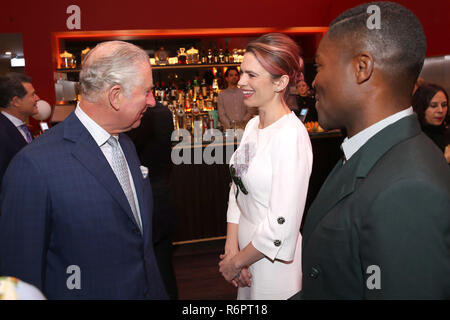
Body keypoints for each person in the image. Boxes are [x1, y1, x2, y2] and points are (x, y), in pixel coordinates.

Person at [295, 2, 450, 299]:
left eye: (321, 66)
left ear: (361, 68)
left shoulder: (409, 188)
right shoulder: (369, 152)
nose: (314, 81)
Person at [0, 41, 168, 299]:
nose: (152, 101)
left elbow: (139, 245)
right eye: (146, 91)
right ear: (115, 96)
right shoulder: (33, 167)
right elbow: (20, 281)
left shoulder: (126, 143)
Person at [219, 33, 313, 300]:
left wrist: (236, 263)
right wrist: (232, 248)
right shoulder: (252, 126)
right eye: (241, 73)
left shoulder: (291, 136)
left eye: (251, 75)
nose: (240, 82)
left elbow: (280, 227)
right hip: (246, 257)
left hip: (274, 267)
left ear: (280, 82)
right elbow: (237, 186)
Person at [126, 101, 179, 300]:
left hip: (148, 200)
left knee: (152, 265)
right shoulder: (164, 112)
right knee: (164, 265)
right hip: (162, 195)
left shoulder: (141, 118)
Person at [0, 73, 39, 187]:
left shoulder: (21, 127)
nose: (38, 98)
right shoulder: (2, 134)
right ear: (16, 101)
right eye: (32, 95)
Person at [412, 84, 450, 163]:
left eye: (444, 105)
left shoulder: (447, 135)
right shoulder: (413, 138)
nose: (440, 110)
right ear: (421, 108)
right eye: (433, 106)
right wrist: (444, 160)